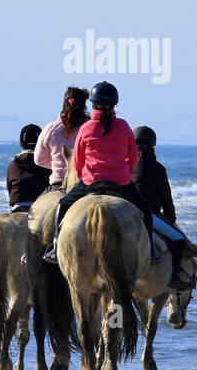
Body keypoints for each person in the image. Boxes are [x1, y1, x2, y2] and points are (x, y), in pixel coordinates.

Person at [43, 82, 188, 287]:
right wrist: (124, 175)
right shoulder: (124, 126)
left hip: (90, 181)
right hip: (120, 182)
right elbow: (132, 156)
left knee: (63, 205)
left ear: (92, 104)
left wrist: (88, 175)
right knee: (145, 210)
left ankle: (55, 246)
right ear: (114, 105)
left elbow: (77, 162)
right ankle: (152, 250)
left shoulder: (85, 128)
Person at [131, 125, 189, 286]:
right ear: (152, 145)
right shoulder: (158, 168)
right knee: (179, 240)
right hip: (149, 215)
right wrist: (171, 219)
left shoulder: (126, 165)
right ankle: (174, 279)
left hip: (128, 213)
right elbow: (166, 199)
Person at [34, 87, 90, 190]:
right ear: (84, 107)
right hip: (85, 183)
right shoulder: (91, 128)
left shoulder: (50, 129)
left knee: (35, 205)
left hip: (59, 182)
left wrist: (58, 165)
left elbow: (39, 160)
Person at [6, 125, 51, 211]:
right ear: (40, 142)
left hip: (18, 206)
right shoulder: (45, 163)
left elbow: (9, 189)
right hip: (40, 206)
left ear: (21, 144)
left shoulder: (12, 165)